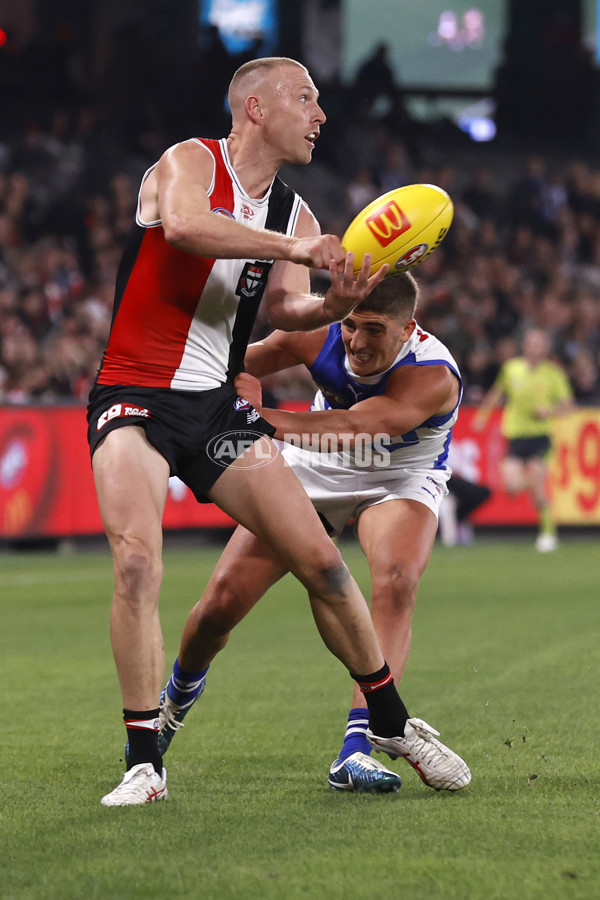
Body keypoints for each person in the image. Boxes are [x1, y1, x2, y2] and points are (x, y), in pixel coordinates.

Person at [88, 56, 432, 807]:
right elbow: (184, 228)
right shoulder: (189, 162)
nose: (320, 115)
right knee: (138, 565)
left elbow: (285, 310)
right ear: (255, 108)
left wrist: (333, 304)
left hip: (216, 410)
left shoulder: (295, 213)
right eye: (305, 98)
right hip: (135, 395)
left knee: (323, 564)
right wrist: (296, 251)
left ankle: (391, 720)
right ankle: (144, 762)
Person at [158, 271, 472, 794]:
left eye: (374, 329)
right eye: (351, 325)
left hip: (399, 474)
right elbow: (233, 361)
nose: (357, 341)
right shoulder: (318, 332)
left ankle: (358, 748)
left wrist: (257, 417)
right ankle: (171, 706)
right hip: (317, 465)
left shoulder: (432, 374)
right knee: (220, 606)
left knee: (396, 579)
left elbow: (355, 427)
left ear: (407, 329)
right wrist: (218, 389)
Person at [473, 327, 574, 551]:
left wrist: (550, 410)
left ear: (545, 347)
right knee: (510, 486)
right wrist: (483, 416)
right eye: (531, 343)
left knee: (538, 481)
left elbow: (568, 406)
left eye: (539, 344)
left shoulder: (553, 373)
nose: (535, 348)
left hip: (540, 437)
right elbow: (497, 393)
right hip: (516, 436)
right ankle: (536, 484)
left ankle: (548, 533)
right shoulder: (512, 369)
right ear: (525, 346)